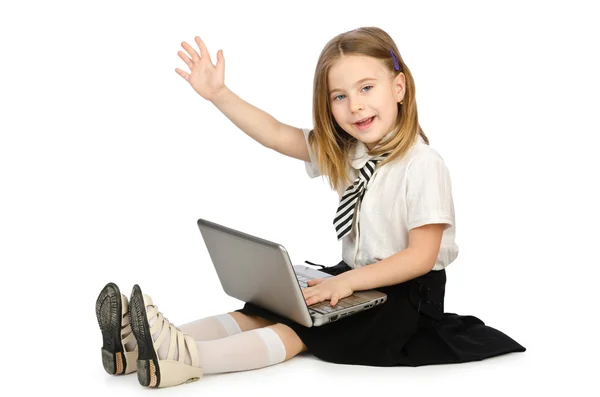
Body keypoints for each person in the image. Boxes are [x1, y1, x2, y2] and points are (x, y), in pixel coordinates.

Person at [95, 26, 525, 388]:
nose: (354, 105)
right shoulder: (350, 151)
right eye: (339, 96)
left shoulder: (422, 164)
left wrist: (349, 283)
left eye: (366, 88)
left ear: (399, 87)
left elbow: (421, 256)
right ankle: (141, 348)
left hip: (406, 299)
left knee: (300, 330)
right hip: (358, 282)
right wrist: (219, 94)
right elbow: (277, 133)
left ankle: (187, 360)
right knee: (268, 309)